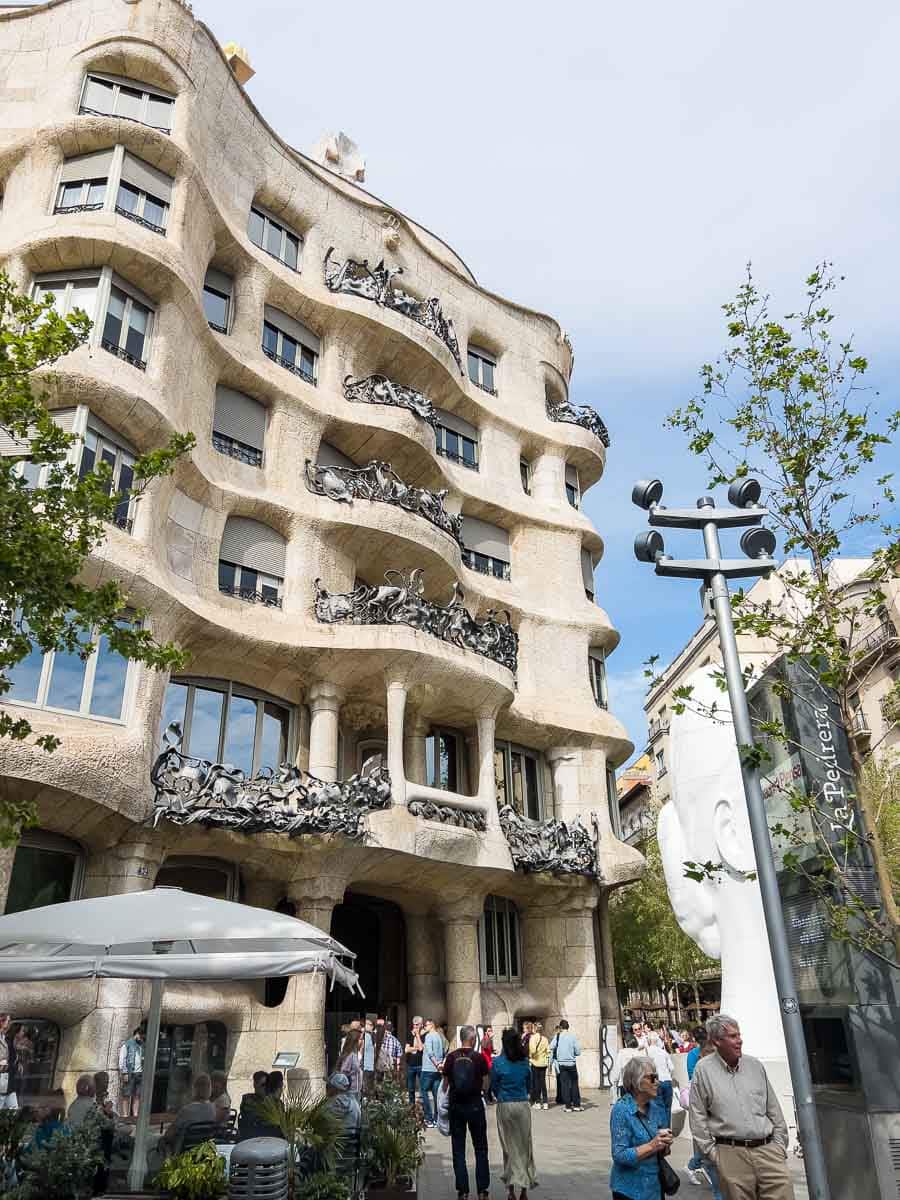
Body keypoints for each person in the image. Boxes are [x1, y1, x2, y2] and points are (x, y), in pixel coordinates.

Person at [689, 1014, 793, 1200]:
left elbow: (773, 1109)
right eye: (733, 1037)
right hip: (730, 1154)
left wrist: (778, 1144)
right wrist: (715, 1156)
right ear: (716, 1041)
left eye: (739, 1035)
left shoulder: (754, 1066)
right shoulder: (703, 1070)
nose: (740, 1041)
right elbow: (697, 1118)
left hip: (769, 1151)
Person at [609, 1056, 674, 1200]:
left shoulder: (656, 1108)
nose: (657, 1082)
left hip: (654, 1188)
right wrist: (652, 1146)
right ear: (636, 1082)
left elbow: (662, 1152)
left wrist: (665, 1144)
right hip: (629, 1190)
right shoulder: (622, 1110)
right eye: (652, 1078)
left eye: (657, 1077)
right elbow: (619, 1154)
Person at [443, 1023, 490, 1200]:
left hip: (456, 1106)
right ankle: (483, 1190)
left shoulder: (451, 1057)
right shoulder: (478, 1058)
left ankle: (463, 1190)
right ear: (472, 1039)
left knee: (458, 1149)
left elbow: (445, 1084)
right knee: (481, 1148)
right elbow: (486, 1083)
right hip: (475, 1106)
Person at [491, 1027, 536, 1200]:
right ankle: (524, 1189)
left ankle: (510, 1190)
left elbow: (493, 1085)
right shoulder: (524, 1062)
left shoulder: (498, 1063)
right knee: (524, 1146)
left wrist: (499, 1093)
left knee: (508, 1148)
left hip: (505, 1105)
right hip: (522, 1105)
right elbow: (529, 1084)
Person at [161, 1073, 217, 1154]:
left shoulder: (187, 1110)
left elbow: (169, 1135)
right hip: (202, 1151)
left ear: (195, 1089)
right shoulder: (213, 1109)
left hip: (183, 1152)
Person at [549, 1020, 582, 1113]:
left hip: (561, 1064)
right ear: (568, 1027)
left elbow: (551, 1047)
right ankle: (576, 1105)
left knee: (565, 1085)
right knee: (574, 1084)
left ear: (561, 1027)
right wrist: (572, 1053)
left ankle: (567, 1106)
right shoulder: (573, 1037)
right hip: (571, 1063)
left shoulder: (558, 1036)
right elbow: (578, 1052)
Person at [420, 1018, 445, 1128]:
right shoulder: (439, 1036)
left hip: (428, 1068)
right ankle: (436, 1118)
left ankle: (429, 1119)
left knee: (423, 1092)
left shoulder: (429, 1036)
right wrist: (440, 1065)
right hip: (437, 1070)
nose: (425, 1028)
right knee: (436, 1094)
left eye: (426, 1025)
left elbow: (430, 1053)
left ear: (432, 1025)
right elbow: (443, 1051)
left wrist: (436, 1064)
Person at [646, 1032, 674, 1123]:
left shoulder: (647, 1052)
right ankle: (668, 1130)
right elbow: (672, 1068)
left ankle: (663, 1130)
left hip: (655, 1080)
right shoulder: (663, 1052)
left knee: (658, 1107)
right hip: (667, 1080)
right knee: (667, 1107)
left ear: (649, 1041)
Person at [237, 1070, 269, 1140]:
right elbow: (252, 1117)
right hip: (251, 1138)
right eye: (263, 1085)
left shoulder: (272, 1101)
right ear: (255, 1085)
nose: (266, 1088)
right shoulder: (248, 1099)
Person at [121, 1027, 144, 1118]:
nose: (141, 1038)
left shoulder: (141, 1045)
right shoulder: (127, 1044)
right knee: (126, 1094)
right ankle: (125, 1115)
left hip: (139, 1072)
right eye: (141, 1036)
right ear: (137, 1034)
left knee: (137, 1095)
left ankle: (135, 1115)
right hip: (130, 1072)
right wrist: (124, 1072)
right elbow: (122, 1059)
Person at [527, 1022, 549, 1110]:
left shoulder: (533, 1038)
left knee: (536, 1083)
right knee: (543, 1082)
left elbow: (532, 1050)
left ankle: (538, 1102)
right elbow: (548, 1051)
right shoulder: (545, 1039)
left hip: (535, 1062)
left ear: (535, 1029)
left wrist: (531, 1056)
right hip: (543, 1063)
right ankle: (546, 1102)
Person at [405, 1017, 424, 1107]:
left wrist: (417, 1035)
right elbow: (406, 1049)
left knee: (422, 1088)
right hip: (411, 1065)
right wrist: (415, 1048)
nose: (415, 1026)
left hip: (420, 1064)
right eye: (414, 1024)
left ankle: (422, 1107)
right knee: (410, 1088)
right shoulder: (410, 1035)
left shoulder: (424, 1035)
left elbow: (421, 1048)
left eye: (417, 1024)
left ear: (421, 1025)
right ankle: (411, 1106)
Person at [337, 1029, 363, 1094]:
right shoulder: (350, 1055)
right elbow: (344, 1072)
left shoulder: (355, 1054)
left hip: (356, 1090)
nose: (362, 1041)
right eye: (361, 1039)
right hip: (350, 1091)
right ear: (355, 1040)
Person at [0, 1014, 16, 1111]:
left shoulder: (7, 1038)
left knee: (13, 1111)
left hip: (9, 1081)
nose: (10, 1024)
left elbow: (12, 1056)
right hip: (2, 1081)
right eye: (8, 1021)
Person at [480, 1028, 495, 1104]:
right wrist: (490, 1038)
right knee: (486, 1082)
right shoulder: (485, 1039)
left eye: (491, 1031)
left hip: (489, 1062)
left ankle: (490, 1097)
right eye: (489, 1031)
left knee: (490, 1081)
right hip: (485, 1063)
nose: (490, 1032)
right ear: (486, 1032)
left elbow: (489, 1049)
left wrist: (493, 1051)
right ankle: (487, 1099)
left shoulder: (488, 1039)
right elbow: (484, 1046)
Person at [362, 1019, 376, 1096]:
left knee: (368, 1086)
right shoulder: (366, 1036)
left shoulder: (371, 1036)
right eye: (369, 1025)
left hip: (369, 1065)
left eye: (372, 1025)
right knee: (366, 1087)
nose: (371, 1027)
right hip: (366, 1066)